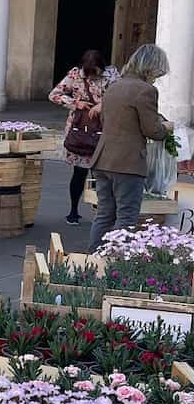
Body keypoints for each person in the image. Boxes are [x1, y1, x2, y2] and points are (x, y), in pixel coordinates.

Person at [88, 43, 173, 253]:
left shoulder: (115, 86)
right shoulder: (146, 90)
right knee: (126, 218)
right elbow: (152, 130)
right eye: (157, 73)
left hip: (103, 159)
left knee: (105, 215)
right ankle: (115, 265)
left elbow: (109, 120)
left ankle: (92, 261)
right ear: (150, 68)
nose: (157, 78)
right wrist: (166, 127)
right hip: (127, 163)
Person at [49, 49, 118, 224]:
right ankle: (73, 211)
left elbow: (120, 98)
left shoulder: (112, 76)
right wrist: (75, 103)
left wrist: (103, 105)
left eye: (95, 73)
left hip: (103, 128)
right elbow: (54, 95)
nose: (92, 77)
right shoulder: (75, 75)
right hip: (79, 129)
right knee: (79, 172)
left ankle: (101, 214)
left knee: (101, 174)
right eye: (89, 73)